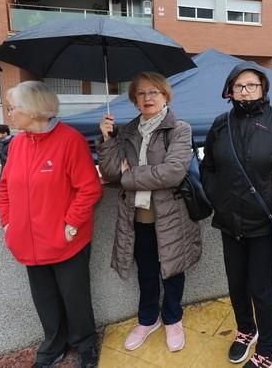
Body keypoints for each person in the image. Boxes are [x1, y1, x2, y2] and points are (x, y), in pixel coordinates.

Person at [200, 62, 272, 368]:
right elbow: (208, 165)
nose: (245, 91)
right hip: (229, 220)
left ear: (263, 88)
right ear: (229, 91)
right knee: (236, 284)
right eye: (238, 86)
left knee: (260, 289)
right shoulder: (221, 124)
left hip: (264, 222)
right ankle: (246, 330)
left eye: (252, 85)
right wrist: (215, 197)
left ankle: (269, 351)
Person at [0, 81, 103, 368]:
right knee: (44, 298)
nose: (9, 114)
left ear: (33, 110)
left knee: (75, 297)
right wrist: (7, 222)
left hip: (66, 240)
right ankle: (54, 343)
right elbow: (4, 187)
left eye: (13, 108)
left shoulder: (70, 140)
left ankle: (85, 343)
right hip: (28, 241)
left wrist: (70, 226)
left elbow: (89, 188)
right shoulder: (17, 143)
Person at [97, 72, 201, 354]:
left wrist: (129, 177)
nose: (147, 98)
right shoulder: (127, 131)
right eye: (141, 93)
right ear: (134, 99)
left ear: (165, 95)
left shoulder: (179, 129)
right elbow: (108, 171)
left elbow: (173, 172)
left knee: (172, 270)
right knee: (146, 271)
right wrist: (107, 139)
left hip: (171, 215)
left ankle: (173, 319)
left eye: (154, 92)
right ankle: (147, 320)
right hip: (137, 217)